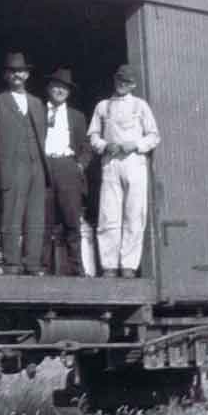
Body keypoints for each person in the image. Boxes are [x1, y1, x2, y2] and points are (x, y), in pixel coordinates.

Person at [88, 64, 160, 278]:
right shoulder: (103, 106)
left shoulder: (141, 106)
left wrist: (136, 145)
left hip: (134, 163)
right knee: (108, 214)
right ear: (114, 80)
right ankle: (109, 265)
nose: (123, 84)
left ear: (134, 85)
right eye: (120, 80)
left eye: (127, 82)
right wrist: (103, 145)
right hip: (111, 163)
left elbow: (154, 136)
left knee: (134, 214)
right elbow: (93, 136)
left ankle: (128, 265)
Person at [0, 52, 47, 274]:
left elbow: (43, 134)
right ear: (6, 76)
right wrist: (4, 159)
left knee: (35, 215)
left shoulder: (37, 103)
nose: (17, 75)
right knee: (12, 214)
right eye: (12, 71)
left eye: (20, 71)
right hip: (12, 164)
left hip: (36, 163)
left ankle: (33, 262)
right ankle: (12, 263)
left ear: (27, 74)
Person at [39, 68, 92, 277]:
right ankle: (41, 269)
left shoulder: (77, 116)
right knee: (44, 220)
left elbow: (87, 146)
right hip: (44, 167)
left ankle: (77, 268)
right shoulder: (38, 111)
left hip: (68, 167)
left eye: (64, 88)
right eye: (56, 86)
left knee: (72, 221)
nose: (59, 90)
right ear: (49, 88)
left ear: (69, 92)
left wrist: (79, 165)